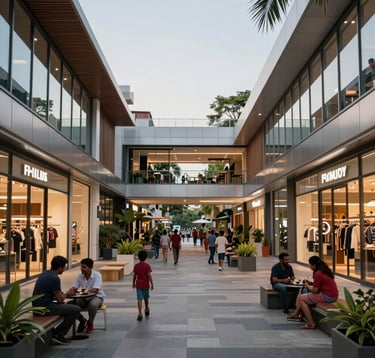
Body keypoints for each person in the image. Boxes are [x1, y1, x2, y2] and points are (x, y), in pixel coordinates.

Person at [32, 255, 81, 345]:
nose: (64, 269)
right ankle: (59, 334)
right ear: (59, 267)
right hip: (44, 308)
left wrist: (62, 296)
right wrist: (68, 294)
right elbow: (60, 299)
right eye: (64, 267)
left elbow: (55, 295)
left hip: (37, 306)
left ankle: (58, 332)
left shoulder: (45, 274)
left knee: (68, 307)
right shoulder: (54, 278)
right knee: (75, 309)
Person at [287, 256, 338, 329]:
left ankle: (311, 323)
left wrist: (307, 285)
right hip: (332, 295)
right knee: (302, 293)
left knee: (302, 298)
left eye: (310, 264)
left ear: (314, 265)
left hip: (327, 296)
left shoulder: (318, 273)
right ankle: (298, 315)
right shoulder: (324, 271)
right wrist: (310, 283)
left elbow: (315, 290)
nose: (309, 266)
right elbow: (320, 284)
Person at [69, 258, 105, 333]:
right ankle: (83, 320)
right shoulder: (80, 276)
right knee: (70, 305)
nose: (82, 269)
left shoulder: (97, 275)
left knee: (92, 305)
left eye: (84, 267)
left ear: (90, 268)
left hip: (97, 296)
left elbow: (95, 290)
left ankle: (90, 323)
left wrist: (81, 292)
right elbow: (74, 287)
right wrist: (71, 290)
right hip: (84, 298)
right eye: (81, 267)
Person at [133, 250, 154, 321]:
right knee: (146, 298)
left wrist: (133, 283)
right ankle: (146, 308)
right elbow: (149, 276)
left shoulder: (136, 266)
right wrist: (152, 284)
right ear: (146, 257)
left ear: (138, 257)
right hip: (146, 285)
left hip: (138, 285)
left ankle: (139, 314)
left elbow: (135, 276)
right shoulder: (147, 266)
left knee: (139, 299)